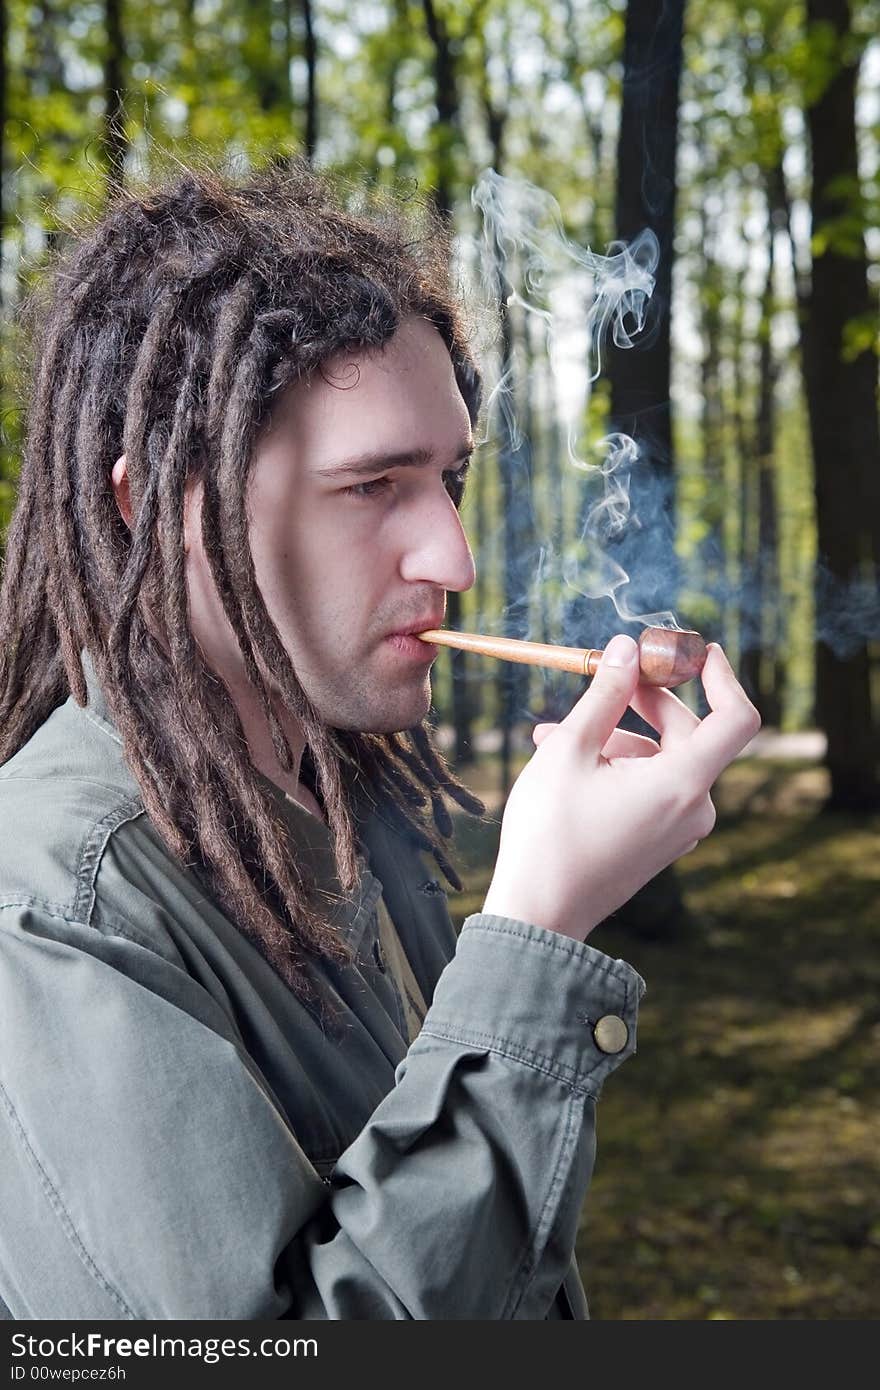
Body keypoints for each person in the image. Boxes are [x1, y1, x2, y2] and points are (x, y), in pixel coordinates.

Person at [0, 158, 760, 1321]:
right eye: (372, 487)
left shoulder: (344, 804)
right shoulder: (57, 902)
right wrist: (533, 936)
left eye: (447, 478)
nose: (451, 558)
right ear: (153, 506)